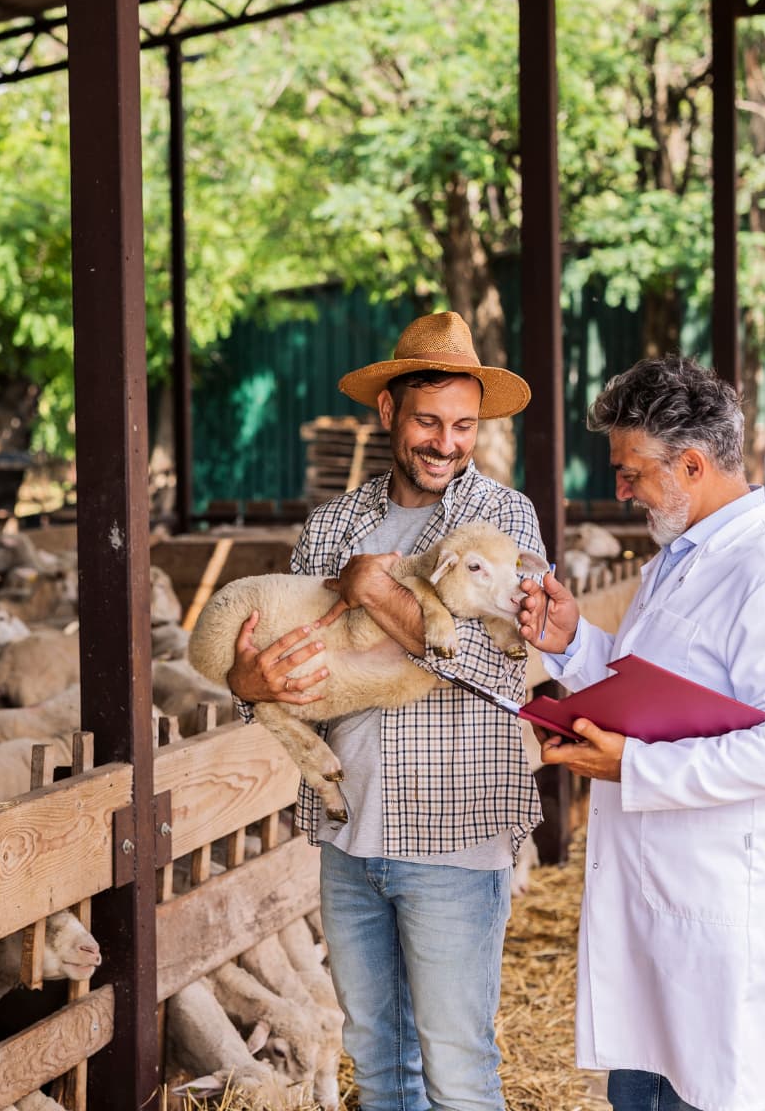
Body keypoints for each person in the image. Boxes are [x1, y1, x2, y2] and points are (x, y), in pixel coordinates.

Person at [226, 311, 546, 1111]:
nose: (447, 442)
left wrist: (375, 591)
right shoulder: (333, 526)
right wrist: (249, 684)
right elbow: (281, 672)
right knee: (376, 1067)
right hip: (349, 835)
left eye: (465, 425)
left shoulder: (502, 523)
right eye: (430, 421)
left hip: (455, 832)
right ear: (389, 415)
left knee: (460, 1070)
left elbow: (504, 673)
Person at [517, 355, 765, 1111]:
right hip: (656, 912)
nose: (620, 488)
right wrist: (572, 642)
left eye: (631, 471)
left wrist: (635, 766)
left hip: (719, 913)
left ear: (691, 464)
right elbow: (649, 693)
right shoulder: (680, 557)